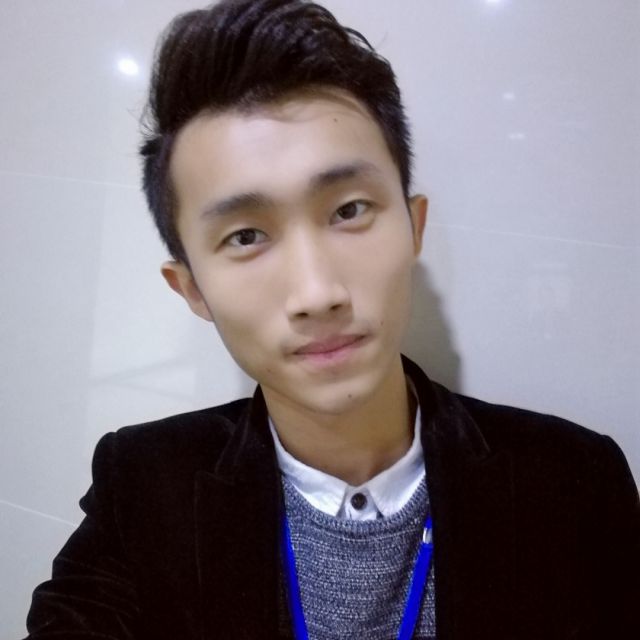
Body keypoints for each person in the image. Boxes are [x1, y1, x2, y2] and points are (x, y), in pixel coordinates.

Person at [23, 1, 638, 638]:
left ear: (414, 227)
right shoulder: (143, 485)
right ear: (192, 289)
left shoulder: (573, 482)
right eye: (246, 236)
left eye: (348, 210)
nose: (317, 294)